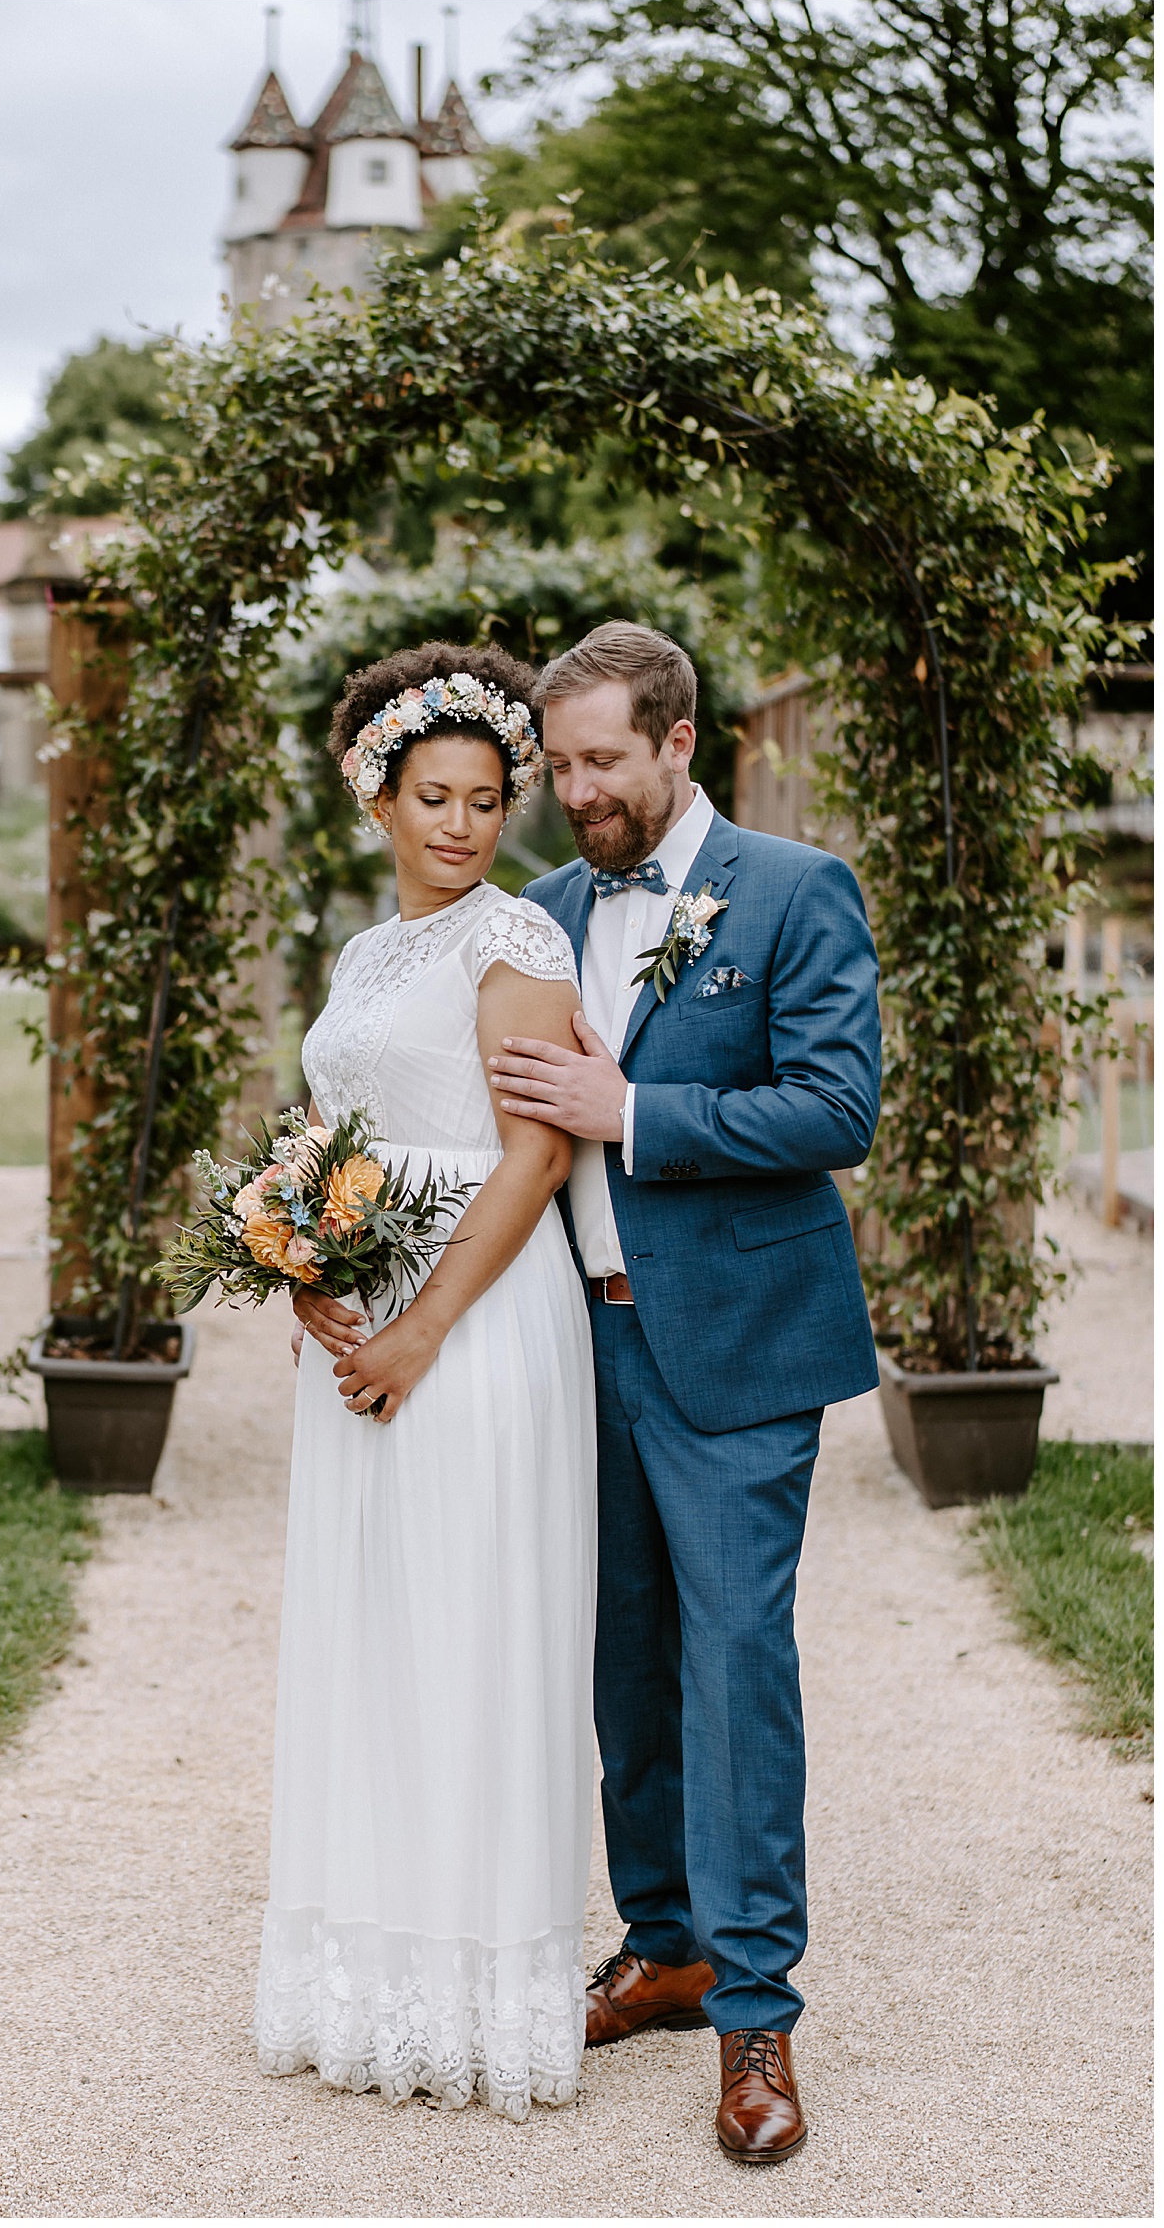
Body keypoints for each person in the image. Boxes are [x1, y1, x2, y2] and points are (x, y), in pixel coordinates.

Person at [487, 621, 882, 2162]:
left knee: (734, 1669)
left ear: (674, 744)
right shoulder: (540, 912)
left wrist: (629, 1107)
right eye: (558, 764)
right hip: (573, 1340)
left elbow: (836, 1104)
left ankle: (759, 2015)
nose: (571, 790)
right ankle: (665, 1943)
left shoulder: (793, 891)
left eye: (597, 761)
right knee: (622, 1659)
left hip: (736, 1343)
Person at [260, 642, 598, 2122]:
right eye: (434, 797)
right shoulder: (361, 954)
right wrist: (309, 1265)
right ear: (378, 800)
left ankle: (480, 1996)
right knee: (373, 1625)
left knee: (471, 1621)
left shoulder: (515, 943)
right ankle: (374, 1977)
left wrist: (422, 1329)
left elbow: (535, 1155)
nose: (463, 824)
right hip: (365, 1311)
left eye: (484, 797)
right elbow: (336, 1132)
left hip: (478, 1314)